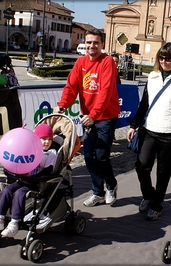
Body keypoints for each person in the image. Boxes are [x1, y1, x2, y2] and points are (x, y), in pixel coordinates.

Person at [126, 42, 171, 221]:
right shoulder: (153, 76)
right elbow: (144, 103)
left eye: (169, 58)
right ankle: (149, 195)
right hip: (149, 130)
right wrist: (134, 125)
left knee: (163, 173)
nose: (165, 62)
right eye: (161, 58)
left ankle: (157, 205)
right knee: (141, 166)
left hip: (170, 133)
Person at [53, 29, 120, 207]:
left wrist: (94, 115)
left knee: (101, 155)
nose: (92, 46)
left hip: (105, 116)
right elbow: (71, 87)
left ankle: (111, 185)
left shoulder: (107, 62)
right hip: (87, 117)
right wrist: (62, 106)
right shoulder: (81, 62)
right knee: (89, 156)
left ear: (102, 44)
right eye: (89, 42)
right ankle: (97, 192)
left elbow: (105, 92)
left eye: (96, 42)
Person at [0, 124, 57, 237]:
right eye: (43, 139)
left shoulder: (51, 153)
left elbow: (48, 170)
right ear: (37, 139)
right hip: (22, 178)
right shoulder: (29, 149)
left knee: (19, 193)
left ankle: (14, 222)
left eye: (49, 139)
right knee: (7, 189)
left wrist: (34, 177)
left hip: (36, 182)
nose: (47, 142)